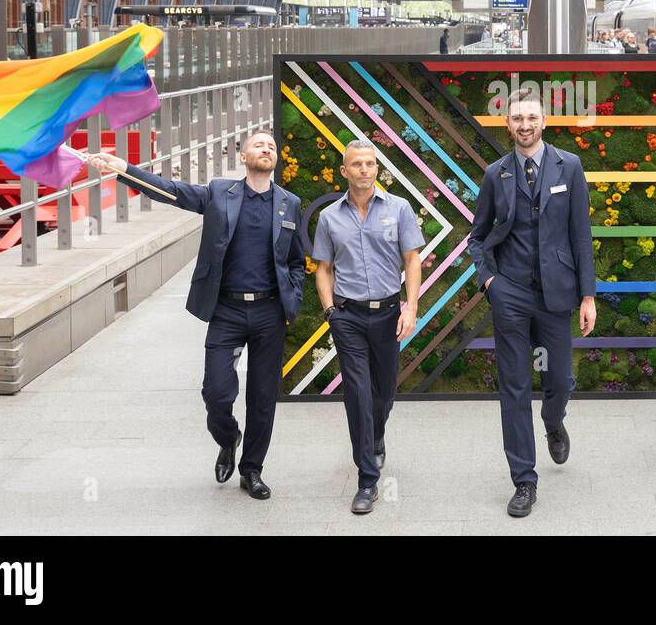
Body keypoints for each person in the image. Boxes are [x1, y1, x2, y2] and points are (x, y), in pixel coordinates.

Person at [86, 130, 305, 500]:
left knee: (263, 397)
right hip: (227, 309)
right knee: (216, 392)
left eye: (270, 146)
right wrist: (123, 168)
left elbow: (297, 259)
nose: (265, 149)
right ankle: (228, 436)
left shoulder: (289, 203)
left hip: (269, 311)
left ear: (276, 158)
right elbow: (171, 190)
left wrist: (293, 294)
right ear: (243, 155)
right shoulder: (219, 193)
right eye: (258, 144)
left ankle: (252, 470)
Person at [467, 87, 597, 517]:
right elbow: (478, 236)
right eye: (516, 118)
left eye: (531, 118)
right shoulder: (495, 174)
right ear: (508, 125)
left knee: (559, 380)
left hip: (558, 293)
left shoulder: (570, 166)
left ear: (544, 122)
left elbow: (581, 234)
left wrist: (588, 294)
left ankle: (554, 420)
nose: (524, 125)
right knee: (515, 388)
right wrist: (489, 281)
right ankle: (524, 480)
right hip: (510, 293)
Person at [312, 140, 422, 514]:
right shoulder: (329, 217)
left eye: (369, 163)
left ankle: (376, 434)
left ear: (377, 169)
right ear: (345, 171)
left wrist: (411, 308)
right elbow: (323, 269)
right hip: (349, 317)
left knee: (384, 391)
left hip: (390, 313)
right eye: (356, 164)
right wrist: (331, 312)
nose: (363, 169)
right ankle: (367, 480)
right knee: (357, 394)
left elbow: (412, 259)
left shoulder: (399, 209)